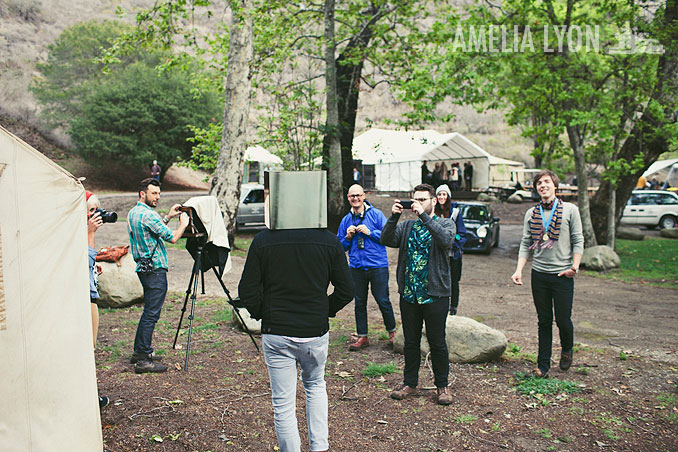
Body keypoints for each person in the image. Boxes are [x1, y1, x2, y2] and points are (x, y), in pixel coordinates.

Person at [237, 183, 354, 452]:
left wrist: (263, 313)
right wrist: (325, 309)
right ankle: (320, 448)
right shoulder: (328, 241)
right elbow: (347, 290)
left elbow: (247, 291)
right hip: (314, 330)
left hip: (277, 331)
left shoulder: (263, 240)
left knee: (283, 404)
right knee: (315, 386)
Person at [381, 183, 456, 406]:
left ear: (434, 201)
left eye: (423, 199)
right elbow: (386, 239)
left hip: (436, 295)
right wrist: (393, 217)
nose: (418, 203)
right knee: (411, 342)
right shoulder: (406, 227)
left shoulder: (445, 223)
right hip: (410, 294)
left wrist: (424, 215)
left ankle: (442, 385)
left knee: (437, 341)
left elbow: (445, 240)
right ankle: (409, 383)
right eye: (416, 200)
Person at [511, 170, 584, 378]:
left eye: (546, 182)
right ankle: (542, 365)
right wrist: (519, 270)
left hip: (562, 275)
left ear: (555, 186)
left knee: (563, 319)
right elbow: (526, 244)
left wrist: (574, 267)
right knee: (543, 320)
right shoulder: (531, 214)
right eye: (539, 183)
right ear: (536, 189)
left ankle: (567, 349)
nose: (542, 185)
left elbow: (578, 240)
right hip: (540, 275)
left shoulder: (570, 210)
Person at [127, 178, 189, 374]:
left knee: (148, 311)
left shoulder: (134, 213)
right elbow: (172, 237)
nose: (158, 197)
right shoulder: (148, 215)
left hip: (144, 269)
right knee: (151, 314)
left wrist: (168, 217)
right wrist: (184, 224)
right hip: (155, 269)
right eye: (154, 193)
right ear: (142, 193)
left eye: (159, 193)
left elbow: (152, 232)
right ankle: (144, 359)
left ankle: (140, 352)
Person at [337, 184, 396, 350]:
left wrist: (370, 232)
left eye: (358, 195)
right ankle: (363, 336)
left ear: (364, 196)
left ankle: (392, 333)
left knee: (383, 300)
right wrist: (348, 237)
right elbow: (340, 248)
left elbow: (388, 237)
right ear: (348, 198)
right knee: (359, 303)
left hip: (377, 265)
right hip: (356, 267)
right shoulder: (346, 220)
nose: (355, 199)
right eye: (352, 196)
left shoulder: (376, 214)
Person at [86, 191, 109, 409]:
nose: (96, 215)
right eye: (91, 210)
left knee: (88, 349)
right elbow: (84, 259)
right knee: (87, 349)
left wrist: (94, 267)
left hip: (88, 293)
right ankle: (89, 398)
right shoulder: (80, 232)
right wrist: (90, 233)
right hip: (85, 298)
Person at [434, 185, 467, 316]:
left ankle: (453, 307)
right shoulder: (433, 212)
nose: (441, 197)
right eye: (439, 194)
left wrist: (453, 240)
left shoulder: (455, 213)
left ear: (448, 196)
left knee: (453, 281)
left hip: (452, 254)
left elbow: (462, 234)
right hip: (436, 253)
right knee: (437, 278)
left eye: (444, 194)